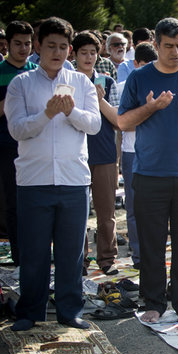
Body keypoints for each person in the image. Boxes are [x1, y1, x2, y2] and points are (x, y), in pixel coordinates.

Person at [117, 17, 178, 323]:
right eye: (169, 46)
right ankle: (154, 301)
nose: (175, 52)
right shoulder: (139, 78)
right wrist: (152, 107)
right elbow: (123, 122)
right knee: (152, 242)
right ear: (156, 45)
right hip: (150, 173)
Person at [5, 17, 101, 331]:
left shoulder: (82, 82)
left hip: (73, 179)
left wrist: (70, 111)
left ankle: (69, 310)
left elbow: (94, 125)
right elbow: (17, 129)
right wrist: (47, 113)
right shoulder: (21, 83)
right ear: (38, 46)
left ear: (69, 49)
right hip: (34, 179)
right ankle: (29, 311)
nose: (57, 52)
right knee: (33, 250)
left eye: (63, 47)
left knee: (71, 251)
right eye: (50, 46)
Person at [72, 31, 121, 277]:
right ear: (75, 54)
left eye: (93, 52)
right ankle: (78, 259)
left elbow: (118, 120)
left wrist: (99, 100)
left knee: (106, 212)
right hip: (74, 154)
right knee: (77, 213)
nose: (89, 57)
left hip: (104, 153)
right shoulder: (67, 81)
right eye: (84, 53)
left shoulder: (107, 81)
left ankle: (107, 258)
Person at [116, 42, 158, 271]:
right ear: (135, 64)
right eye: (143, 65)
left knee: (156, 208)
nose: (147, 70)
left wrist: (141, 118)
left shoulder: (162, 86)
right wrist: (146, 115)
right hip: (131, 152)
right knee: (133, 207)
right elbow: (123, 123)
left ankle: (154, 254)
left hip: (155, 153)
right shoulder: (124, 86)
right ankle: (139, 255)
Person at [0, 21, 37, 279]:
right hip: (7, 146)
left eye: (27, 43)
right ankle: (19, 256)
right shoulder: (1, 71)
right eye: (17, 43)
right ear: (7, 45)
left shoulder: (37, 70)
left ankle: (38, 253)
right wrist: (13, 100)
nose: (23, 48)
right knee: (13, 202)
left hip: (35, 147)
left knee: (36, 202)